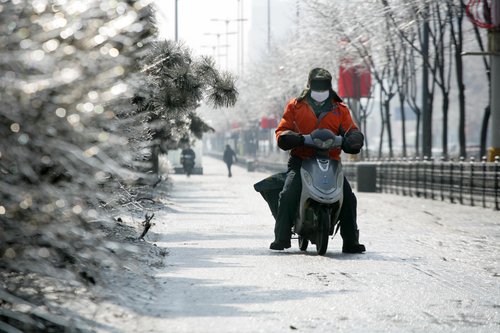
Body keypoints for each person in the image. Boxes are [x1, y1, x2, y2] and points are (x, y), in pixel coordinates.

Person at [270, 67, 366, 253]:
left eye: (324, 86)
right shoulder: (295, 106)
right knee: (288, 193)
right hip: (301, 160)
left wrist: (353, 138)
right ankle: (281, 237)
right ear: (309, 85)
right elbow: (282, 129)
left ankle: (351, 241)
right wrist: (289, 137)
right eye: (317, 85)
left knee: (349, 198)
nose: (320, 90)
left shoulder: (340, 109)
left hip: (331, 162)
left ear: (330, 87)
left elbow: (351, 129)